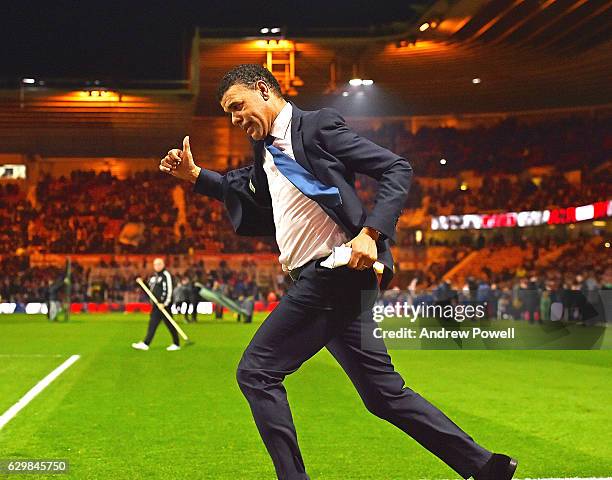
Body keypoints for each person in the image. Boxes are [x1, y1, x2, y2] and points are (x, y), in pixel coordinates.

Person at [159, 64, 516, 480]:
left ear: (263, 90)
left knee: (256, 372)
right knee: (383, 395)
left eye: (237, 107)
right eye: (228, 114)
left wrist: (371, 233)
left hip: (334, 270)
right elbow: (254, 200)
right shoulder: (265, 148)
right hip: (330, 281)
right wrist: (197, 177)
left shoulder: (316, 128)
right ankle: (486, 466)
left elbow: (395, 168)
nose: (235, 120)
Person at [132, 258, 180, 351]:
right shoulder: (153, 276)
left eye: (159, 264)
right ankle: (147, 343)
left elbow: (169, 290)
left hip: (163, 305)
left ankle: (175, 343)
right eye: (155, 264)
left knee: (168, 323)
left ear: (163, 264)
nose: (157, 266)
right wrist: (142, 283)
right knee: (154, 323)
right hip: (156, 305)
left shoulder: (166, 275)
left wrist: (164, 303)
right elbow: (149, 290)